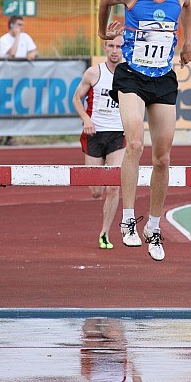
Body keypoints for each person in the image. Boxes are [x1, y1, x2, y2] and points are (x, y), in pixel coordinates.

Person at [98, 0, 191, 262]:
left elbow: (188, 8)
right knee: (136, 143)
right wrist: (104, 30)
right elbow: (103, 0)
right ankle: (128, 219)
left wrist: (187, 43)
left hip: (163, 78)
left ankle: (153, 226)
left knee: (163, 158)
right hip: (132, 77)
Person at [73, 35, 125, 250]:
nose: (115, 50)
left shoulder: (129, 74)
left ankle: (104, 232)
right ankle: (99, 169)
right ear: (105, 47)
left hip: (117, 134)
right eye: (111, 46)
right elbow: (76, 98)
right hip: (95, 134)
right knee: (96, 191)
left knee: (113, 187)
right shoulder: (94, 73)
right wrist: (85, 118)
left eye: (119, 46)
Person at [0, 15, 37, 145]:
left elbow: (33, 50)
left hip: (21, 77)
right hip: (7, 77)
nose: (22, 28)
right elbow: (12, 53)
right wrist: (17, 37)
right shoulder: (4, 39)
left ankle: (10, 136)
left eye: (22, 25)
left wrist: (32, 54)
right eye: (19, 25)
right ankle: (0, 132)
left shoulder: (26, 37)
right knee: (5, 105)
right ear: (12, 26)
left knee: (17, 104)